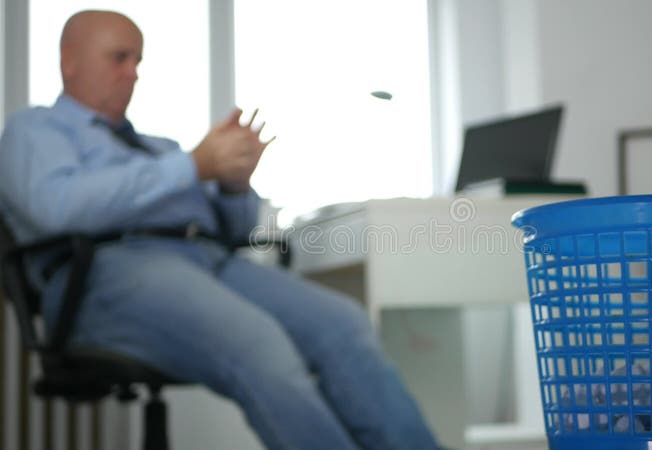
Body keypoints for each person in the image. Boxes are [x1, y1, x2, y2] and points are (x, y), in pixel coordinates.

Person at [0, 10, 441, 450]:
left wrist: (233, 185)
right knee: (260, 345)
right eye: (119, 58)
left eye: (138, 60)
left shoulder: (160, 148)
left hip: (208, 262)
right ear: (69, 60)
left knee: (344, 326)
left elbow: (233, 231)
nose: (133, 73)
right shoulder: (34, 131)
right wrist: (191, 165)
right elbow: (58, 209)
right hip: (103, 275)